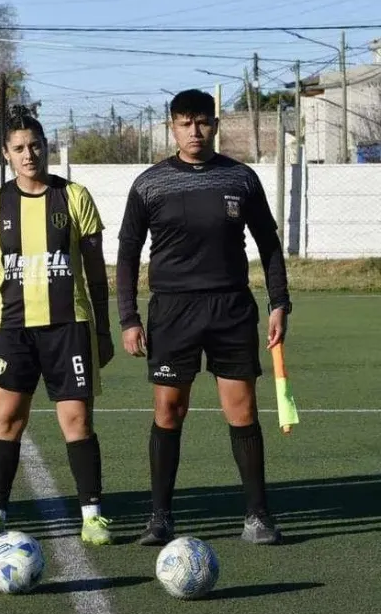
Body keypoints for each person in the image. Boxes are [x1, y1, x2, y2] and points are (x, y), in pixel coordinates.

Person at [116, 89, 290, 546]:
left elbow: (269, 245)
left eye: (202, 122)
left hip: (230, 307)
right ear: (171, 127)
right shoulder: (150, 183)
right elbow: (128, 253)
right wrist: (129, 318)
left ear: (215, 125)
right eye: (185, 122)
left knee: (242, 411)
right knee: (169, 412)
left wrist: (279, 302)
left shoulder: (241, 179)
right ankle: (159, 517)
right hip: (173, 310)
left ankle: (257, 516)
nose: (194, 130)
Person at [0, 106, 115, 547]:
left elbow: (95, 271)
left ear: (46, 147)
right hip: (10, 328)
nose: (28, 154)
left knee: (77, 420)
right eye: (19, 148)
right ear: (6, 155)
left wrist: (103, 329)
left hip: (68, 325)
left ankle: (92, 514)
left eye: (35, 145)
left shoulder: (75, 197)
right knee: (7, 417)